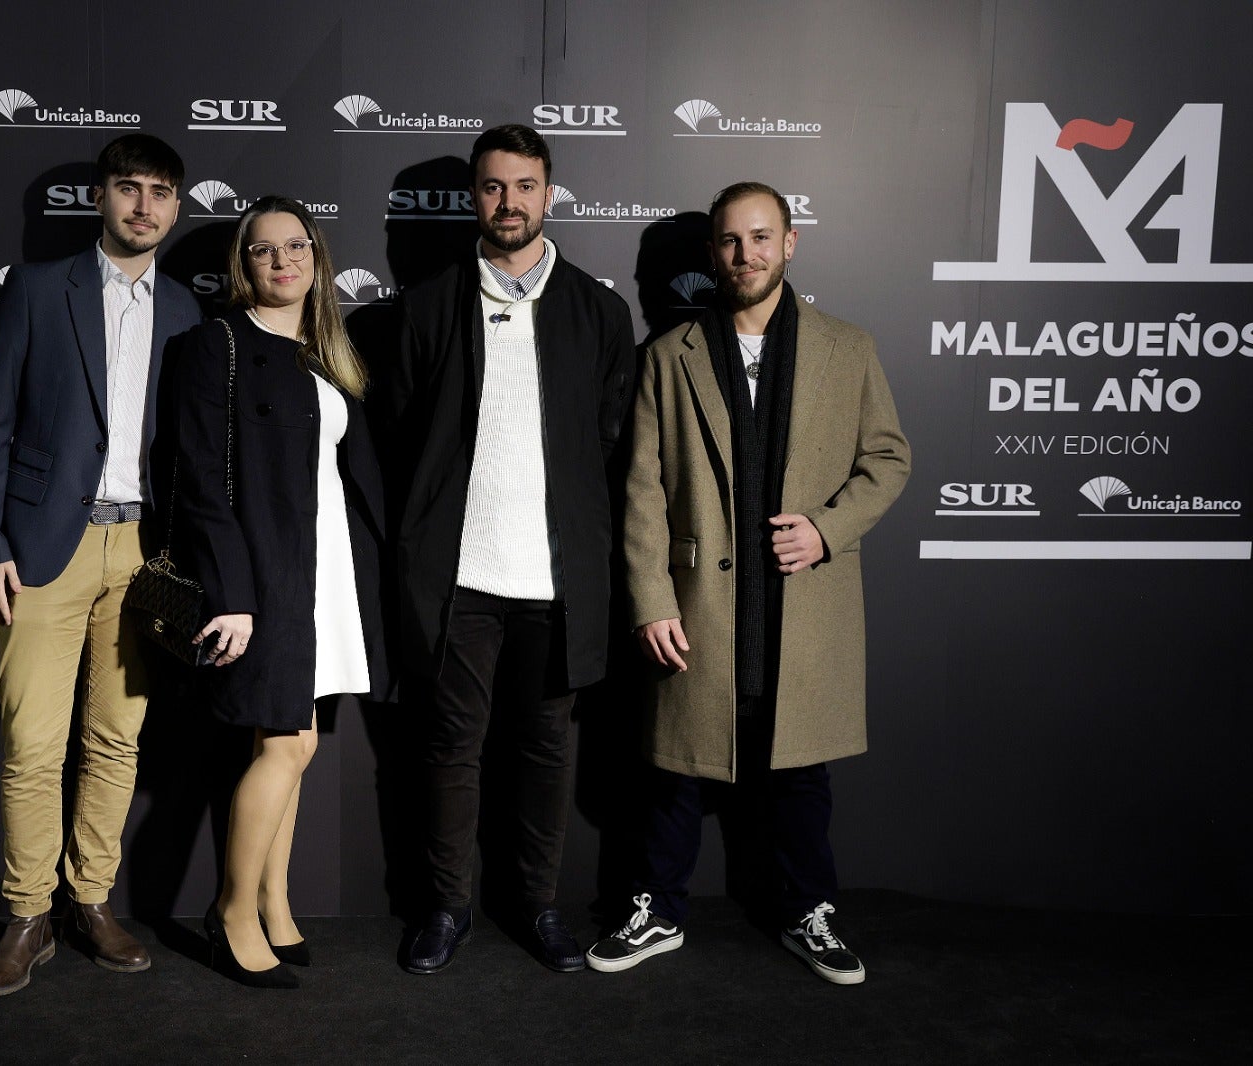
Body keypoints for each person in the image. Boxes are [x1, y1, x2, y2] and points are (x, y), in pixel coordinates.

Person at [586, 182, 910, 984]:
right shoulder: (669, 355)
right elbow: (642, 490)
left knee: (801, 775)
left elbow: (888, 460)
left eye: (762, 238)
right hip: (699, 608)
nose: (747, 255)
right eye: (731, 242)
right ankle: (657, 911)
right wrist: (651, 599)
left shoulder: (849, 348)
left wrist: (826, 529)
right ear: (713, 254)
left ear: (790, 242)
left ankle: (810, 913)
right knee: (674, 770)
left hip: (803, 609)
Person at [386, 124, 635, 974]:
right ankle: (446, 909)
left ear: (549, 194)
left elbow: (610, 446)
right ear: (473, 197)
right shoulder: (424, 306)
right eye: (493, 187)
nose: (509, 203)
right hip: (459, 579)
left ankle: (536, 905)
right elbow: (399, 439)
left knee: (544, 753)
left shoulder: (600, 312)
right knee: (450, 751)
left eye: (524, 186)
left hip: (557, 585)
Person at [0, 134, 198, 997]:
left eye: (161, 192)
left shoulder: (184, 308)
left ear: (177, 207)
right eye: (130, 189)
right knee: (31, 742)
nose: (145, 206)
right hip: (41, 550)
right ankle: (26, 916)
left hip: (142, 553)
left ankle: (92, 901)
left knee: (116, 738)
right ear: (101, 198)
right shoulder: (34, 289)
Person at [173, 196, 389, 988]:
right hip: (262, 578)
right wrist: (232, 594)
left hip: (324, 573)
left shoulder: (331, 351)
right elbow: (199, 481)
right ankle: (230, 914)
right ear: (245, 264)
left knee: (287, 746)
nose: (282, 261)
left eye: (296, 245)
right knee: (287, 743)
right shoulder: (216, 344)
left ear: (316, 256)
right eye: (264, 250)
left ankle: (275, 902)